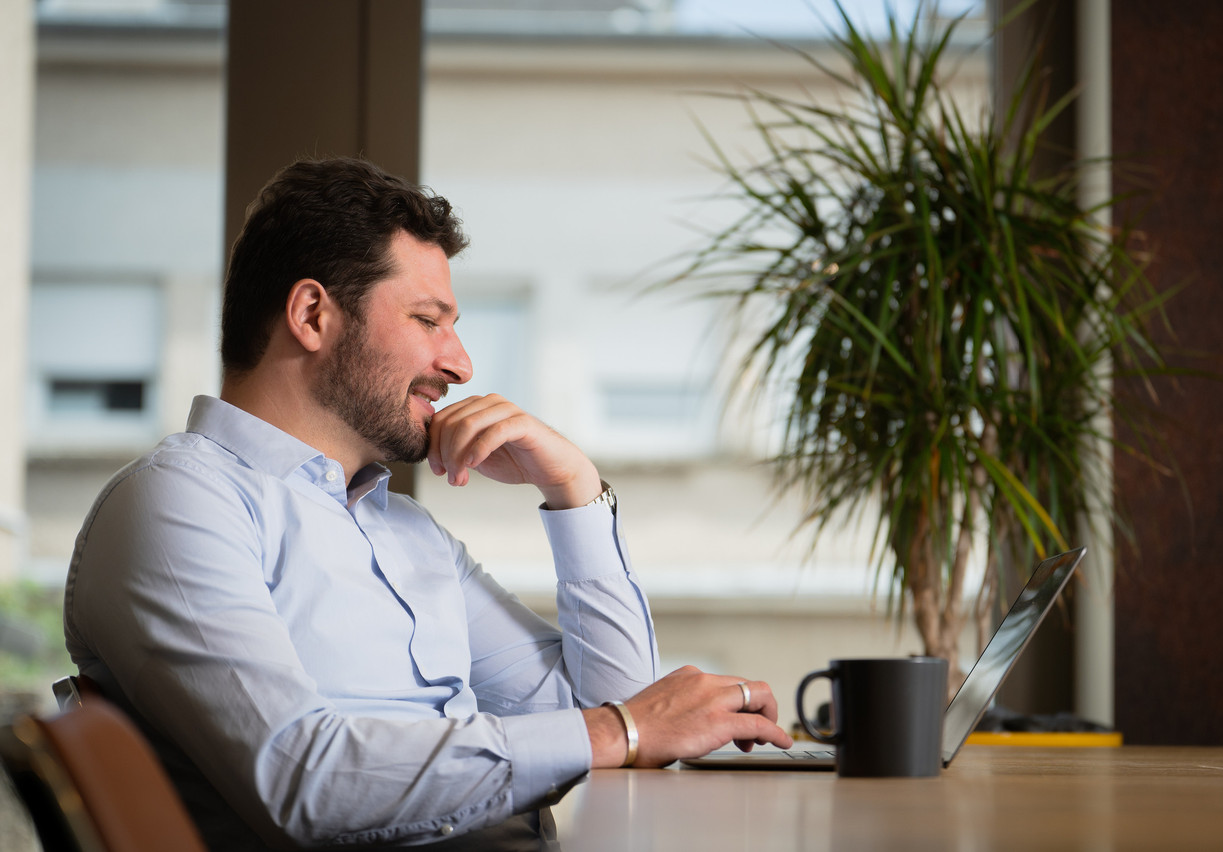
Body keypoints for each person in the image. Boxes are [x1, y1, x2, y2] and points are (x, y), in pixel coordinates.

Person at [64, 157, 792, 850]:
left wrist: (573, 489)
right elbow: (301, 778)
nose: (461, 363)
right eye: (427, 320)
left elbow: (624, 708)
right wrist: (619, 731)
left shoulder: (406, 532)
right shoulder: (176, 503)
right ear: (313, 315)